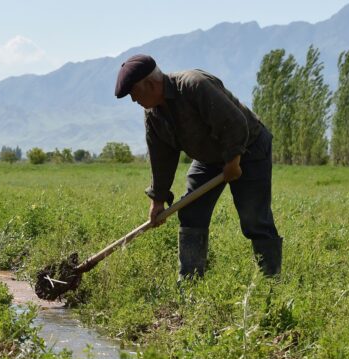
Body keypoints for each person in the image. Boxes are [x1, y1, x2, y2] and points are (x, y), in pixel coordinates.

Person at [114, 54, 282, 278]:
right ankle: (190, 283)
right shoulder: (153, 114)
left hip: (248, 148)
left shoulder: (193, 85)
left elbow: (235, 123)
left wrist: (233, 161)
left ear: (151, 84)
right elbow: (161, 157)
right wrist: (158, 199)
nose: (133, 100)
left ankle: (271, 282)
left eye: (134, 93)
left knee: (254, 219)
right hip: (208, 158)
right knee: (191, 213)